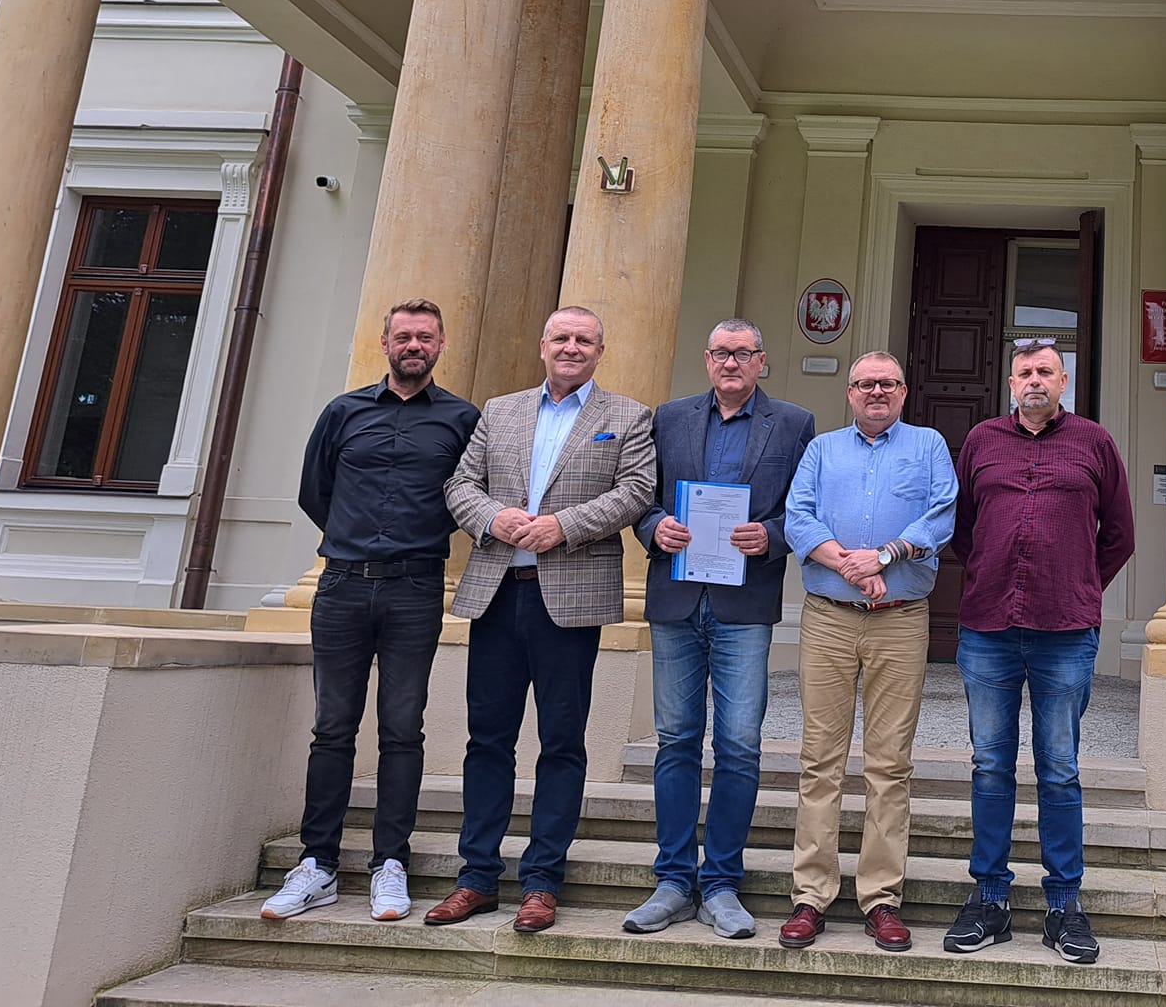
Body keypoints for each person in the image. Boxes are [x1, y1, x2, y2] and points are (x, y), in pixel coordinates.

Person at [423, 306, 656, 936]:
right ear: (543, 345)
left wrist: (563, 526)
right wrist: (492, 518)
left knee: (562, 744)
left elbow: (636, 492)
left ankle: (542, 881)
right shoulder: (500, 411)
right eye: (561, 338)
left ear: (600, 351)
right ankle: (476, 877)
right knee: (487, 740)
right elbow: (459, 485)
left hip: (570, 601)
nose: (571, 347)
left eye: (584, 340)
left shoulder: (628, 417)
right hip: (498, 594)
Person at [262, 299, 480, 924]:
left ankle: (390, 864)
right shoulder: (344, 412)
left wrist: (407, 541)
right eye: (404, 336)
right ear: (385, 343)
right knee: (332, 727)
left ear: (440, 345)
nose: (414, 345)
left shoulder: (462, 419)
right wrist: (357, 538)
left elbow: (469, 496)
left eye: (425, 337)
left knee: (402, 728)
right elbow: (315, 491)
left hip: (415, 588)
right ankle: (317, 865)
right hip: (342, 586)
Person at [620, 318, 816, 940]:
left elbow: (804, 507)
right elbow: (640, 496)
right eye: (721, 353)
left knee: (738, 745)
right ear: (707, 359)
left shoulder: (793, 423)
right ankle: (674, 880)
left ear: (762, 360)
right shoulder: (668, 418)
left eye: (743, 353)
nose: (731, 362)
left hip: (744, 604)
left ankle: (723, 882)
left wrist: (773, 536)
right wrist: (655, 527)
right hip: (677, 598)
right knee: (676, 740)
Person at [941, 339, 1135, 966]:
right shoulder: (981, 441)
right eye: (1024, 372)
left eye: (1045, 371)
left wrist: (1078, 583)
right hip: (989, 627)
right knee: (990, 766)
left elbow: (1120, 534)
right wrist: (992, 573)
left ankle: (1064, 907)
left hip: (1066, 631)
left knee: (1059, 768)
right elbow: (962, 529)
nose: (1034, 380)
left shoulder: (1095, 443)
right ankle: (990, 899)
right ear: (1010, 383)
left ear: (1063, 381)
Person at [777, 350, 957, 952]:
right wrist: (850, 566)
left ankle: (881, 898)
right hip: (829, 618)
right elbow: (798, 517)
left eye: (887, 384)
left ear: (903, 392)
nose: (876, 392)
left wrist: (883, 556)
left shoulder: (929, 446)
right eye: (865, 384)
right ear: (849, 393)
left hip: (900, 620)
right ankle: (811, 895)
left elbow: (941, 516)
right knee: (819, 759)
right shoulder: (821, 449)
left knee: (889, 764)